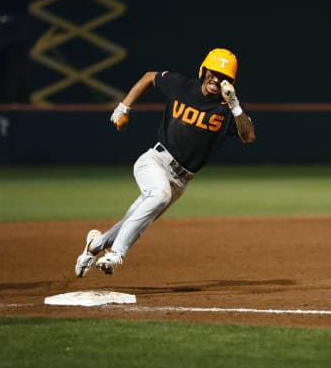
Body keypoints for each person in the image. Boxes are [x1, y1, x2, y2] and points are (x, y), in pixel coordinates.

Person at [75, 47, 256, 277]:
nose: (216, 78)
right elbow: (150, 77)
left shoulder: (227, 107)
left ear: (230, 81)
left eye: (223, 76)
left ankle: (95, 245)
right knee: (159, 195)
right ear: (203, 70)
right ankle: (116, 254)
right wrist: (124, 107)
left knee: (136, 220)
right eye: (213, 72)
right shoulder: (182, 86)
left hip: (181, 181)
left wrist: (235, 104)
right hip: (156, 160)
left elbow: (248, 136)